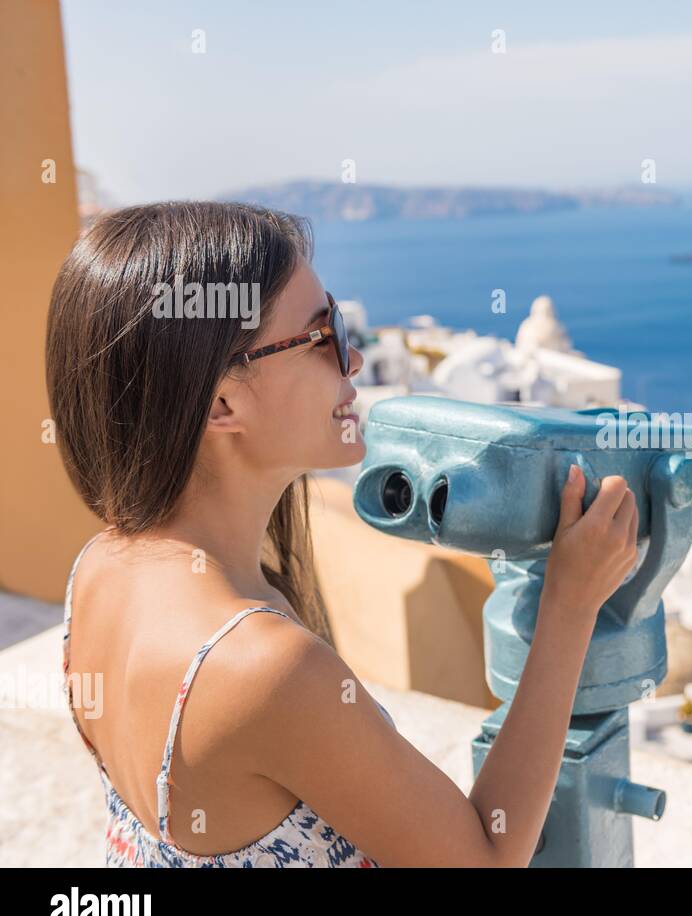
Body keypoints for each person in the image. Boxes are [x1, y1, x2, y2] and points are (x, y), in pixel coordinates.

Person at [47, 201, 638, 867]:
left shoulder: (99, 569)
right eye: (320, 335)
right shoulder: (264, 668)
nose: (352, 360)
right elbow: (488, 859)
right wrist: (570, 604)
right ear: (221, 404)